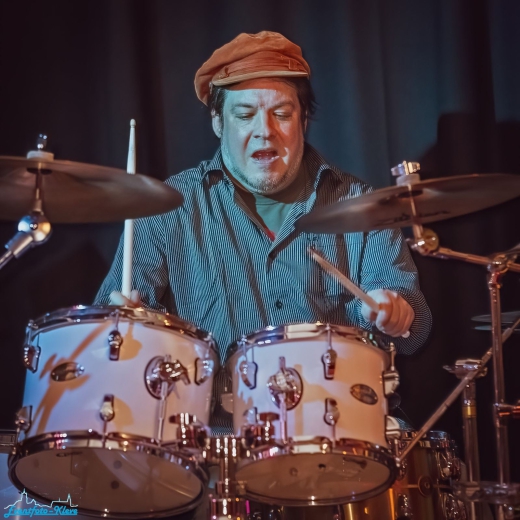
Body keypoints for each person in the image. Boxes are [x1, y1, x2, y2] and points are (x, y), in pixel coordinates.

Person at [95, 30, 432, 519]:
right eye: (245, 114)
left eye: (281, 113)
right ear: (218, 122)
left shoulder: (360, 202)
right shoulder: (168, 207)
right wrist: (126, 324)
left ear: (304, 119)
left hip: (339, 448)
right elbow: (108, 331)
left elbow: (417, 330)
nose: (265, 131)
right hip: (217, 455)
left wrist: (398, 312)